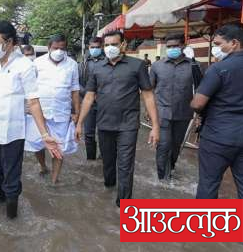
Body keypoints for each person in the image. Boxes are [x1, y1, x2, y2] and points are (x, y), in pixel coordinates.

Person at [0, 20, 62, 219]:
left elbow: (33, 102)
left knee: (11, 179)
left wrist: (44, 134)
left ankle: (11, 220)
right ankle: (2, 199)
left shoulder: (24, 65)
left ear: (10, 42)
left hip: (13, 133)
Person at [76, 31, 160, 207]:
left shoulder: (137, 66)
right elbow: (89, 97)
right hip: (104, 123)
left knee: (125, 164)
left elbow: (148, 95)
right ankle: (109, 186)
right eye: (106, 45)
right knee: (108, 161)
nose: (109, 48)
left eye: (113, 44)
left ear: (123, 45)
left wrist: (155, 126)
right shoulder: (97, 69)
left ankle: (123, 205)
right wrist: (80, 123)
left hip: (128, 124)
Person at [191, 23, 243, 243]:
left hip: (218, 137)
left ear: (234, 43)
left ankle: (205, 233)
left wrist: (195, 104)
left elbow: (198, 103)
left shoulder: (219, 69)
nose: (216, 48)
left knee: (209, 183)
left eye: (219, 44)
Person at [24, 34, 79, 184]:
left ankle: (54, 181)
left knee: (59, 147)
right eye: (56, 48)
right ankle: (43, 166)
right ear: (49, 47)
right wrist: (27, 107)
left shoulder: (72, 65)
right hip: (39, 112)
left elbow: (75, 90)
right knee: (37, 144)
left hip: (62, 112)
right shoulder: (37, 63)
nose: (59, 51)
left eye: (62, 48)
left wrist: (76, 112)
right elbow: (30, 88)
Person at [150, 33, 199, 180]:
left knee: (176, 145)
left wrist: (199, 115)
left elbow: (200, 90)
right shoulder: (157, 66)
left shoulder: (193, 66)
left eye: (175, 46)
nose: (172, 49)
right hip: (162, 113)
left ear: (183, 46)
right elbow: (149, 91)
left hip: (183, 113)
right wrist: (149, 111)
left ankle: (170, 169)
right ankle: (161, 178)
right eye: (169, 46)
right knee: (163, 145)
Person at [79, 37, 105, 160]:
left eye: (97, 47)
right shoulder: (83, 64)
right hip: (87, 104)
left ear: (102, 47)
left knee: (104, 132)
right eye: (92, 47)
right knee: (88, 133)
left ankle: (103, 157)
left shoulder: (107, 61)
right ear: (89, 47)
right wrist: (87, 93)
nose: (95, 49)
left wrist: (101, 94)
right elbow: (76, 83)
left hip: (104, 104)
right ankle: (91, 159)